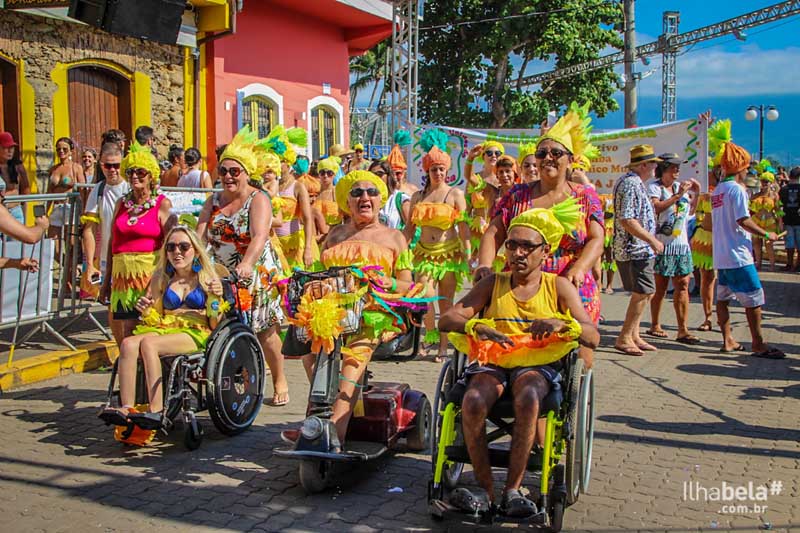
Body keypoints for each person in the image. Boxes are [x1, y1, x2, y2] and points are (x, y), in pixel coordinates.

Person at [439, 201, 599, 515]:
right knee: (471, 401)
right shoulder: (493, 284)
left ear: (545, 252)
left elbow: (592, 336)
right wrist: (476, 325)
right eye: (512, 245)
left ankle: (512, 489)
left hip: (537, 363)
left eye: (527, 246)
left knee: (527, 396)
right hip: (494, 362)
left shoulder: (559, 286)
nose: (517, 253)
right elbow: (447, 319)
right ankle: (485, 491)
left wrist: (562, 323)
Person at [284, 169, 425, 448]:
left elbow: (408, 286)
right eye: (357, 192)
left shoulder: (395, 237)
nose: (365, 197)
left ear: (379, 200)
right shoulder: (335, 236)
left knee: (352, 360)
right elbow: (317, 277)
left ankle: (334, 433)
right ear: (347, 201)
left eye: (372, 192)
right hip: (336, 313)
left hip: (376, 315)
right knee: (311, 351)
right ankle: (316, 420)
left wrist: (387, 281)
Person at [477, 107, 604, 366]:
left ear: (570, 159)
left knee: (579, 350)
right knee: (514, 353)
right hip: (520, 283)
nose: (548, 158)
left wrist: (580, 269)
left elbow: (597, 238)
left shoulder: (584, 195)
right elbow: (493, 233)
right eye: (542, 153)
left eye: (556, 153)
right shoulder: (518, 195)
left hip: (570, 281)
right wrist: (484, 265)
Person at [196, 126, 290, 406]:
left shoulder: (257, 198)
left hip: (256, 272)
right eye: (223, 171)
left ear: (247, 173)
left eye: (234, 172)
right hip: (220, 274)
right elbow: (199, 237)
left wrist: (247, 264)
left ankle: (279, 378)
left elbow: (260, 235)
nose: (227, 177)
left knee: (265, 331)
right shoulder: (212, 201)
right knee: (216, 324)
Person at [97, 226, 226, 428]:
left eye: (184, 247)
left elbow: (214, 324)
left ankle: (156, 410)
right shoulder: (161, 278)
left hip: (196, 330)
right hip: (165, 327)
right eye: (171, 247)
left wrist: (214, 299)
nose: (177, 252)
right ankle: (127, 407)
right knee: (129, 344)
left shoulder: (207, 279)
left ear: (195, 250)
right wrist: (146, 308)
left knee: (149, 344)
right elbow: (156, 317)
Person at [712, 140, 784, 359]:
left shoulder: (718, 191)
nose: (748, 172)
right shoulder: (737, 190)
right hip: (738, 256)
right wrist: (766, 233)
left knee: (723, 299)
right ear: (740, 169)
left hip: (721, 255)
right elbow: (743, 220)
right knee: (754, 300)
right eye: (746, 168)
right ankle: (758, 343)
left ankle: (728, 340)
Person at [405, 134, 470, 362]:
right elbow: (409, 228)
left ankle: (443, 345)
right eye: (434, 169)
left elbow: (463, 227)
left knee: (445, 302)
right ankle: (430, 335)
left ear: (447, 170)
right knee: (425, 296)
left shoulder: (455, 194)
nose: (438, 173)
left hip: (449, 254)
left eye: (441, 169)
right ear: (427, 171)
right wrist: (400, 251)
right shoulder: (417, 196)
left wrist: (468, 251)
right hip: (424, 254)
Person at [100, 142, 173, 344]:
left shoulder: (162, 204)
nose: (134, 176)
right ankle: (131, 370)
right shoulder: (121, 204)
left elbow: (170, 246)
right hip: (122, 279)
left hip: (149, 277)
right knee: (125, 333)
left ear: (151, 176)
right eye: (131, 172)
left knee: (146, 329)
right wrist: (106, 281)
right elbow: (112, 243)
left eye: (140, 172)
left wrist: (158, 282)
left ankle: (146, 372)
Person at [611, 145, 664, 356]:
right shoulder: (631, 184)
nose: (655, 168)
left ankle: (634, 334)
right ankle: (625, 337)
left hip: (637, 249)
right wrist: (652, 240)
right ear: (643, 165)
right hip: (635, 249)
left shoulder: (633, 182)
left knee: (644, 292)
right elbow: (627, 219)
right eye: (653, 163)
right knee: (644, 291)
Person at [645, 153, 701, 344]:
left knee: (683, 285)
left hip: (682, 245)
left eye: (678, 167)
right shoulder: (655, 187)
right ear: (664, 168)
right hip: (663, 245)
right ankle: (655, 324)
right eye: (673, 167)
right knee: (660, 288)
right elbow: (656, 208)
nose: (677, 170)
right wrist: (678, 196)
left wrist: (697, 193)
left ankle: (683, 329)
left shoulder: (680, 187)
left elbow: (691, 212)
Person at [81, 143, 131, 290]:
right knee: (109, 306)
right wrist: (90, 264)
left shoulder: (130, 188)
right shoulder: (98, 189)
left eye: (116, 165)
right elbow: (89, 229)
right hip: (106, 259)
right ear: (101, 165)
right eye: (107, 166)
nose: (112, 170)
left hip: (130, 258)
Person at [47, 136, 86, 236]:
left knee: (72, 244)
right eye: (58, 149)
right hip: (56, 208)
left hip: (70, 208)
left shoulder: (76, 168)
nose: (61, 151)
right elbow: (49, 192)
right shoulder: (53, 169)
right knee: (53, 243)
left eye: (64, 149)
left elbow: (83, 190)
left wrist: (83, 212)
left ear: (71, 151)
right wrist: (46, 212)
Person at [749, 172, 782, 271]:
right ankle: (758, 264)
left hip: (769, 222)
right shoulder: (755, 196)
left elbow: (778, 210)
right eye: (762, 181)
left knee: (769, 244)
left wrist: (780, 222)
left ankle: (772, 265)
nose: (764, 183)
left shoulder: (775, 196)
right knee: (756, 243)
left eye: (766, 182)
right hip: (757, 221)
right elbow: (750, 211)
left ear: (771, 183)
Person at [0, 131, 31, 225]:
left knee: (16, 239)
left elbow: (26, 191)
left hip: (15, 211)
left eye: (12, 147)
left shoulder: (18, 166)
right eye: (6, 147)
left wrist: (24, 215)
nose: (10, 151)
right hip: (1, 212)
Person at [372, 159, 410, 230]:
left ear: (388, 175)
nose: (376, 177)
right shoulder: (366, 200)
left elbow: (413, 230)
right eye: (372, 175)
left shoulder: (401, 199)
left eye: (380, 174)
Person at [779, 167, 800, 271]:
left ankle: (789, 264)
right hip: (798, 219)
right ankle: (798, 265)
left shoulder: (783, 189)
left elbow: (780, 205)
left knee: (789, 243)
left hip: (787, 218)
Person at [316, 158, 344, 227]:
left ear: (334, 175)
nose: (325, 176)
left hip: (333, 233)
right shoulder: (314, 192)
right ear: (319, 174)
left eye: (329, 173)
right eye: (322, 172)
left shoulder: (337, 192)